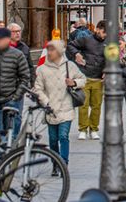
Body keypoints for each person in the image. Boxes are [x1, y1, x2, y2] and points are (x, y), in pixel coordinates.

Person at [32, 40, 86, 174]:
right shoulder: (42, 69)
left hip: (66, 108)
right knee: (53, 139)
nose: (50, 52)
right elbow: (38, 88)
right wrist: (45, 102)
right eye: (49, 50)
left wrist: (74, 82)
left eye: (53, 50)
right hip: (51, 109)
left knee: (63, 136)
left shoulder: (70, 66)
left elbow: (83, 79)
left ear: (60, 51)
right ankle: (55, 163)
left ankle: (63, 164)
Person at [0, 28, 31, 150]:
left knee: (9, 131)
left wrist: (16, 96)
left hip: (10, 99)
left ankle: (4, 158)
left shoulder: (17, 54)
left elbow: (25, 77)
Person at [67, 20, 107, 140]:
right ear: (98, 29)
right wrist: (77, 54)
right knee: (83, 105)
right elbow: (70, 45)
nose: (105, 35)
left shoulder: (109, 43)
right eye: (104, 32)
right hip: (84, 76)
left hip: (99, 79)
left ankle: (94, 129)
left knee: (97, 106)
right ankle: (83, 129)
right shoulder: (86, 39)